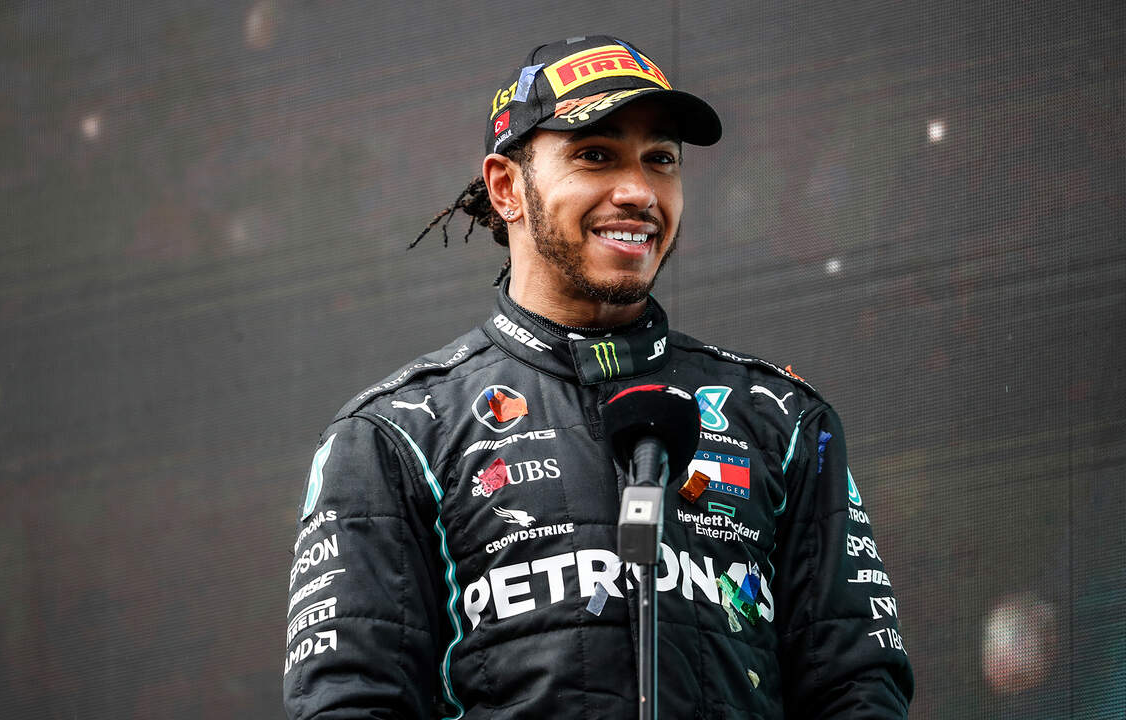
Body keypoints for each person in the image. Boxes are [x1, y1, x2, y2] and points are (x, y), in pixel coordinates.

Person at [283, 35, 914, 719]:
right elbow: (351, 702)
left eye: (661, 160)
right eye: (595, 155)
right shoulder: (394, 437)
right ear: (506, 187)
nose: (639, 191)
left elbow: (859, 690)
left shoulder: (782, 421)